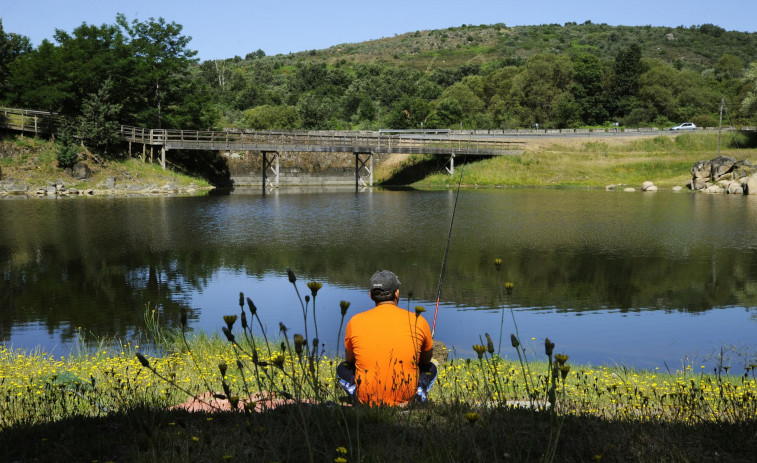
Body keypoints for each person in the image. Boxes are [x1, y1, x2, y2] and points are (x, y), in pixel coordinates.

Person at [336, 270, 437, 406]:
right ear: (396, 293)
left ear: (371, 295)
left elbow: (349, 360)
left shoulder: (355, 321)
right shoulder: (419, 320)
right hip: (408, 396)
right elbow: (426, 360)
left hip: (366, 399)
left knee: (341, 368)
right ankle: (417, 396)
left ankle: (359, 395)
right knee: (431, 368)